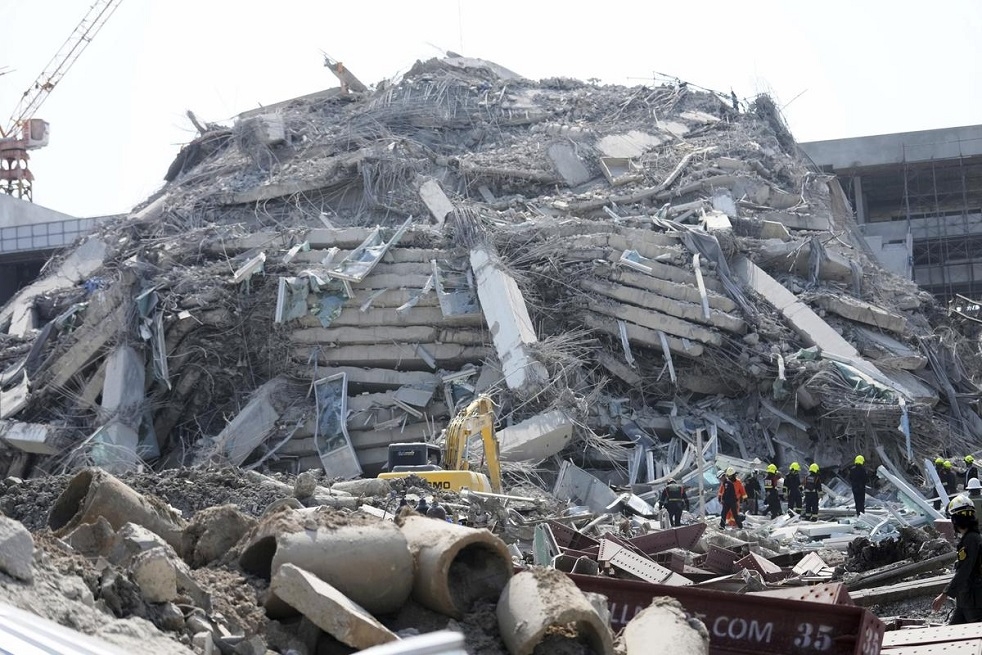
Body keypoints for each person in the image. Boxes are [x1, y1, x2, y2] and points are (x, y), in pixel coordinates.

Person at [932, 495, 982, 623]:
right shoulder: (971, 538)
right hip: (965, 599)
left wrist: (945, 594)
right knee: (953, 629)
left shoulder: (971, 540)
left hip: (974, 602)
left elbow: (964, 570)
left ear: (955, 520)